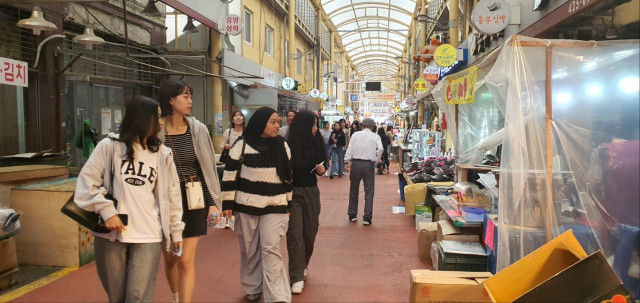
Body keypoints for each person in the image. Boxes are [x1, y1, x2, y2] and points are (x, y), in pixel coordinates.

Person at [74, 96, 184, 302]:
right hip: (112, 235)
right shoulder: (109, 146)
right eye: (157, 117)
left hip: (149, 235)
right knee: (116, 298)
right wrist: (107, 211)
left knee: (136, 296)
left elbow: (172, 196)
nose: (161, 123)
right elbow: (85, 184)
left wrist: (175, 230)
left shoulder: (162, 154)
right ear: (142, 119)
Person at [157, 79, 222, 303]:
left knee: (186, 260)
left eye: (190, 96)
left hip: (194, 199)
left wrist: (213, 201)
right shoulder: (156, 130)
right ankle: (176, 296)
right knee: (171, 258)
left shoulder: (198, 129)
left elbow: (206, 168)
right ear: (171, 100)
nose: (190, 101)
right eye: (185, 96)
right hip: (166, 202)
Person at [221, 106, 293, 303]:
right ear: (261, 122)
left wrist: (288, 202)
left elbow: (288, 176)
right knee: (249, 249)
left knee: (271, 250)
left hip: (275, 205)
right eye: (273, 122)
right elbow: (229, 175)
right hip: (246, 205)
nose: (277, 126)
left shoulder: (282, 145)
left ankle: (277, 296)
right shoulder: (241, 144)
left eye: (278, 122)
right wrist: (227, 203)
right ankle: (252, 287)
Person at [286, 110, 327, 294]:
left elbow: (322, 167)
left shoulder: (317, 141)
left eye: (316, 124)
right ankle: (296, 276)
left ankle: (303, 265)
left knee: (310, 232)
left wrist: (321, 169)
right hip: (292, 193)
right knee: (294, 235)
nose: (315, 128)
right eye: (312, 124)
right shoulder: (287, 144)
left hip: (311, 191)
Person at [344, 118, 383, 225]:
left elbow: (350, 148)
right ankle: (367, 217)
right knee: (369, 191)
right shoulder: (375, 136)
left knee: (353, 190)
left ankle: (352, 214)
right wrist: (377, 160)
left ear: (362, 126)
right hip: (368, 165)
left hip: (356, 164)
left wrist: (347, 161)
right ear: (373, 127)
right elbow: (380, 149)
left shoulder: (355, 135)